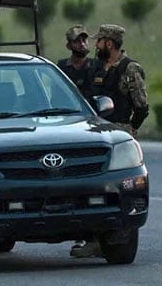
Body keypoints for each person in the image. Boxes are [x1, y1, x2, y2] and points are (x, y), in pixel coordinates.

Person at [71, 24, 149, 259]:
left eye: (100, 41)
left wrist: (130, 129)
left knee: (121, 190)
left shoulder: (129, 69)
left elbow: (142, 105)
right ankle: (93, 239)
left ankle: (116, 239)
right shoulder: (96, 67)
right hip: (96, 135)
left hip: (119, 137)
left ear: (110, 44)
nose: (96, 45)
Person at [57, 25, 95, 98]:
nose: (82, 44)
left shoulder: (96, 66)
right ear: (68, 46)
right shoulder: (62, 68)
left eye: (84, 40)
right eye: (77, 41)